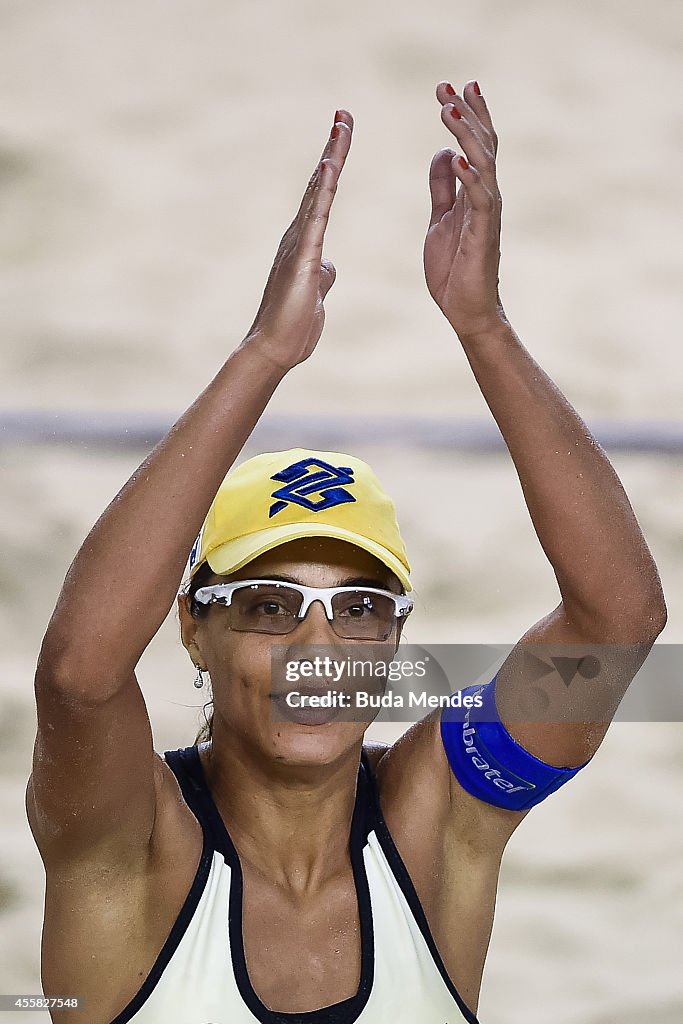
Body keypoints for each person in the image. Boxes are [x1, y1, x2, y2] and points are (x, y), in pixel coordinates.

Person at [26, 80, 667, 1024]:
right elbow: (80, 677)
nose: (317, 648)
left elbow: (616, 624)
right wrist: (260, 356)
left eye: (359, 607)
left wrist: (481, 325)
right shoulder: (132, 844)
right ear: (194, 631)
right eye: (271, 603)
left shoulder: (437, 819)